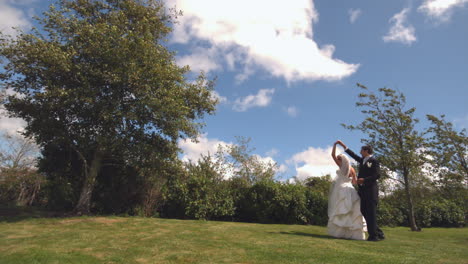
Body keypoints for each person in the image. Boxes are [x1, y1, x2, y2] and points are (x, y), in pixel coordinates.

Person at [336, 140, 385, 241]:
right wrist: (344, 146)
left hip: (371, 191)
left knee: (371, 213)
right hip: (362, 191)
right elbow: (353, 155)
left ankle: (373, 236)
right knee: (364, 211)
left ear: (366, 151)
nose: (360, 151)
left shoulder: (374, 161)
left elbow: (377, 175)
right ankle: (378, 233)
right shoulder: (363, 160)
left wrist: (364, 180)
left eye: (361, 150)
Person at [327, 141, 367, 240]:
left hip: (341, 188)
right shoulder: (353, 169)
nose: (338, 160)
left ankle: (340, 233)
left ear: (341, 161)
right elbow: (354, 181)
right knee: (353, 211)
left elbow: (332, 155)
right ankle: (353, 234)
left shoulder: (341, 166)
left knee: (341, 210)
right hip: (351, 189)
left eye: (339, 159)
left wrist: (335, 145)